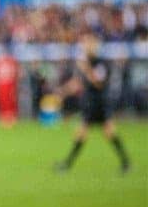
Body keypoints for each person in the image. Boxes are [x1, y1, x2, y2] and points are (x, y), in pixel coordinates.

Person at [55, 33, 131, 173]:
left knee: (106, 132)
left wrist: (85, 69)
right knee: (86, 132)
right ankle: (126, 163)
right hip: (90, 103)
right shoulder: (87, 63)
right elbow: (78, 82)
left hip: (99, 103)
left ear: (94, 46)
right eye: (84, 44)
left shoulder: (100, 63)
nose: (85, 47)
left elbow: (98, 83)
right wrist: (62, 92)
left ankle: (67, 164)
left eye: (88, 44)